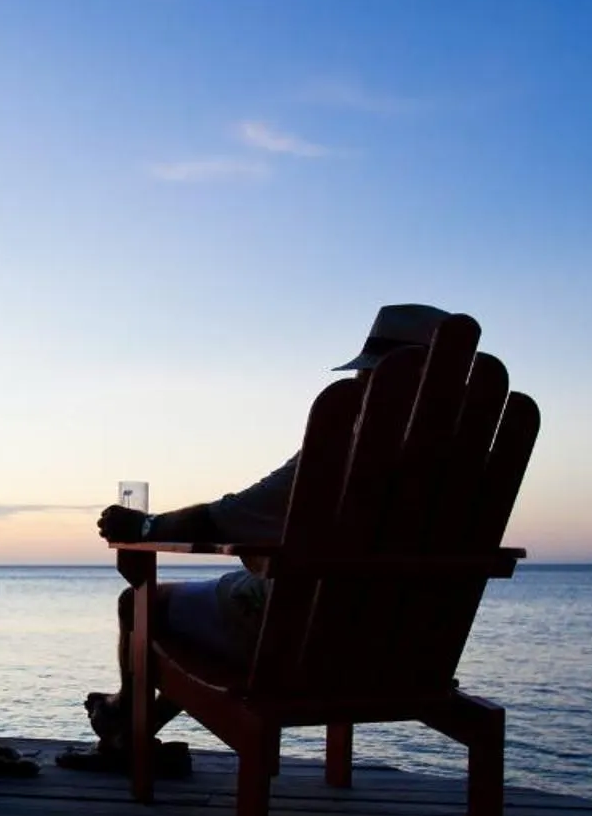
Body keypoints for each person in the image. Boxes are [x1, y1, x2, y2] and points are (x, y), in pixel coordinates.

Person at [73, 303, 453, 769]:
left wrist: (146, 528)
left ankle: (123, 727)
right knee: (211, 620)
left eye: (368, 375)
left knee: (138, 605)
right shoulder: (467, 459)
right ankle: (130, 725)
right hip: (405, 650)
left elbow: (224, 518)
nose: (360, 384)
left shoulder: (340, 450)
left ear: (381, 381)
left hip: (301, 638)